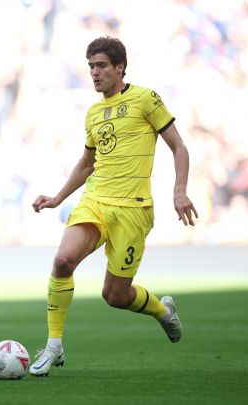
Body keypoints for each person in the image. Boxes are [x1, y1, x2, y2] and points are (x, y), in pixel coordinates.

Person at [28, 37, 198, 377]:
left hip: (133, 210)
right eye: (91, 66)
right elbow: (87, 163)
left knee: (115, 295)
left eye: (101, 65)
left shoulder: (146, 99)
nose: (94, 72)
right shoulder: (93, 113)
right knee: (62, 260)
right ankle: (53, 345)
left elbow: (179, 147)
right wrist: (58, 198)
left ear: (120, 68)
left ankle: (162, 311)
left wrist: (179, 191)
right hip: (95, 202)